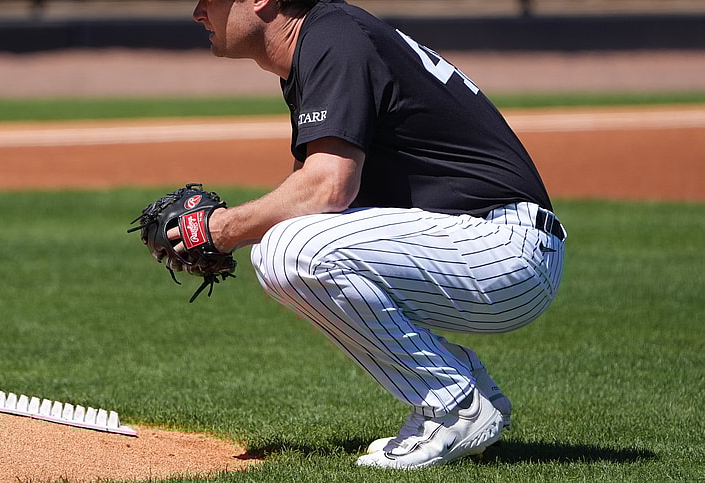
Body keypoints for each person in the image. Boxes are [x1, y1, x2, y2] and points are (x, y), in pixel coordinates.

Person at [186, 0, 566, 469]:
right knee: (285, 245)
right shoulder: (322, 41)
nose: (199, 12)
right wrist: (229, 232)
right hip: (487, 245)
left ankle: (453, 405)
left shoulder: (332, 37)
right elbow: (317, 195)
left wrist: (218, 229)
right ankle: (466, 385)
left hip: (505, 250)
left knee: (289, 250)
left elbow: (329, 185)